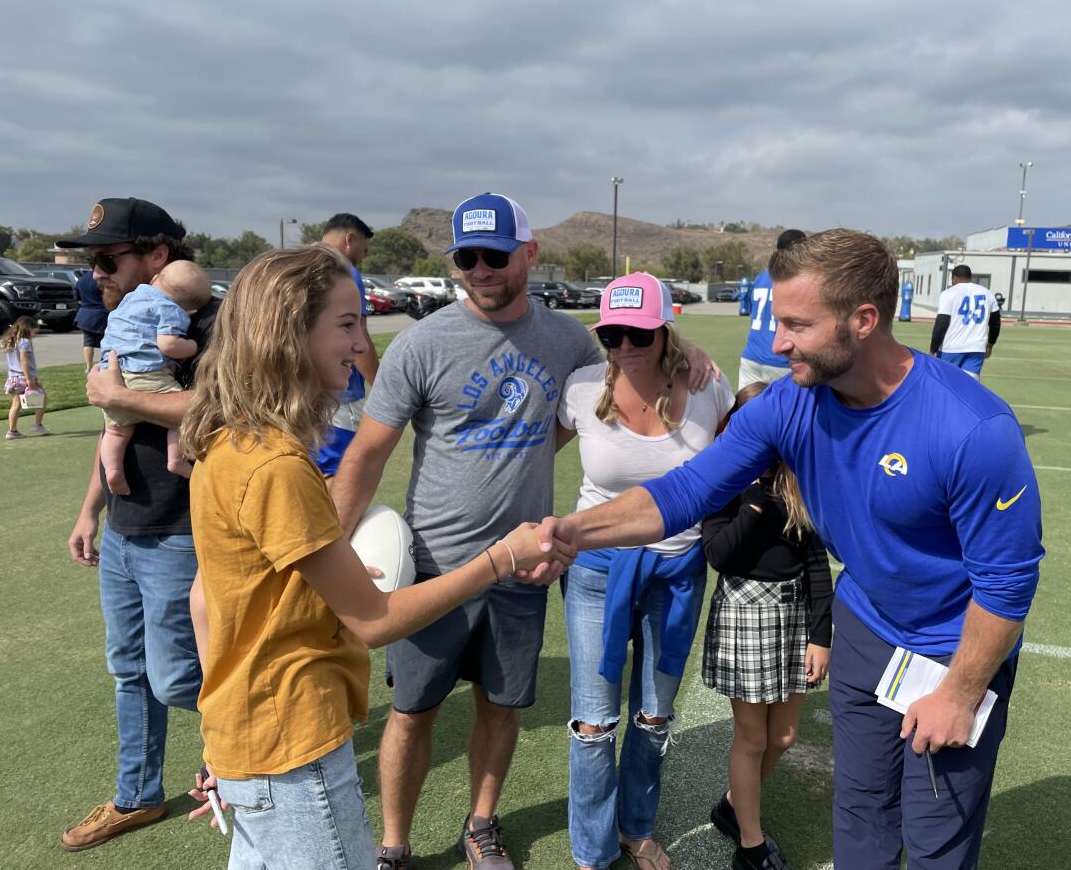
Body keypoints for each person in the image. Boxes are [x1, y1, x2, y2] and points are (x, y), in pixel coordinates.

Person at [536, 229, 1044, 870]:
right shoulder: (789, 403)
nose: (777, 342)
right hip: (866, 629)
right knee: (860, 811)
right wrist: (570, 532)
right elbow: (686, 490)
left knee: (935, 833)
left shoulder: (975, 429)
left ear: (862, 321)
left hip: (953, 647)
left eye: (797, 325)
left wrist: (960, 693)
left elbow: (1006, 586)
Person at [329, 192, 715, 870]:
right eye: (466, 257)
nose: (480, 269)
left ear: (528, 255)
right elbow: (365, 455)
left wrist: (692, 353)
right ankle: (393, 843)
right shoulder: (421, 342)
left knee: (499, 705)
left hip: (524, 566)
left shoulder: (569, 339)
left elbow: (625, 371)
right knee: (412, 713)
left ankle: (482, 824)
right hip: (433, 564)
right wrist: (326, 554)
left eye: (495, 255)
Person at [178, 244, 569, 870]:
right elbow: (376, 621)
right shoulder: (277, 465)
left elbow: (204, 598)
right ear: (286, 332)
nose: (362, 344)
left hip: (248, 739)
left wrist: (221, 737)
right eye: (346, 323)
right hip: (293, 743)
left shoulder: (229, 440)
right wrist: (499, 559)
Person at [556, 274, 733, 870]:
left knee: (654, 715)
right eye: (612, 334)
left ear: (664, 331)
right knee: (593, 722)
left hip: (678, 569)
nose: (625, 346)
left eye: (639, 333)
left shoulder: (707, 384)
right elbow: (524, 454)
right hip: (596, 569)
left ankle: (636, 828)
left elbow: (746, 449)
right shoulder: (583, 388)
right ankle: (592, 851)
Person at [58, 197, 216, 852]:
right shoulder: (122, 318)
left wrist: (120, 397)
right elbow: (111, 422)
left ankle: (261, 742)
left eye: (106, 258)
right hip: (126, 526)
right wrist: (90, 508)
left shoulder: (211, 320)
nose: (97, 271)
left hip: (182, 526)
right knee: (128, 667)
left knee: (179, 673)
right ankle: (138, 795)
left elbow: (220, 406)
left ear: (157, 255)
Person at [700, 382, 832, 870]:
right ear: (737, 428)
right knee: (752, 738)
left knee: (783, 737)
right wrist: (754, 500)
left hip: (794, 614)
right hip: (746, 612)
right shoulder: (723, 483)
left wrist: (822, 635)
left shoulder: (799, 479)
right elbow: (719, 554)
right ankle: (750, 845)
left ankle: (732, 806)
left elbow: (816, 562)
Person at [96, 260, 212, 493]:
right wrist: (191, 345)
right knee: (184, 418)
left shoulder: (131, 298)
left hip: (111, 373)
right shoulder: (171, 308)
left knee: (115, 430)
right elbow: (168, 344)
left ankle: (113, 470)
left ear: (154, 279)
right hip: (146, 373)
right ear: (190, 308)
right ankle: (177, 460)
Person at [315, 213, 380, 476]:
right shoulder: (343, 271)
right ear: (349, 239)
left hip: (302, 394)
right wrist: (383, 384)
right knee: (339, 474)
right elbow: (358, 335)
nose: (361, 259)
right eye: (362, 251)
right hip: (341, 394)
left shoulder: (292, 265)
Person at [739, 229, 806, 389]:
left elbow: (748, 309)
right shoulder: (799, 280)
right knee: (788, 413)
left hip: (751, 357)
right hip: (782, 361)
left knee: (746, 410)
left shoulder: (761, 277)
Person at [929, 265, 1000, 381]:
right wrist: (990, 345)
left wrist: (933, 349)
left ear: (955, 279)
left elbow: (941, 323)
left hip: (950, 348)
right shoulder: (987, 294)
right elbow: (996, 323)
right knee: (969, 387)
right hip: (976, 349)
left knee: (947, 386)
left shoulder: (948, 293)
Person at [3, 316, 48, 439]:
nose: (35, 334)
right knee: (42, 397)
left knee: (16, 404)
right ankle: (38, 424)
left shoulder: (12, 341)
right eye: (34, 331)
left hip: (13, 378)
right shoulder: (25, 342)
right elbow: (24, 360)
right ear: (28, 328)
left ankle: (12, 430)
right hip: (25, 377)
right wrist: (29, 379)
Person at [76, 268, 110, 373]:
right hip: (102, 313)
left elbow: (77, 296)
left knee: (88, 342)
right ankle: (105, 364)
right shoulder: (102, 280)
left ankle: (89, 366)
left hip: (85, 314)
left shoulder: (81, 280)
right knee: (107, 341)